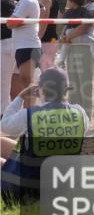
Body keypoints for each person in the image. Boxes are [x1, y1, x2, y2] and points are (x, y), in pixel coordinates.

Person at [0, 68, 88, 204]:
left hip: (30, 188)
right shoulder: (80, 113)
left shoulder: (31, 115)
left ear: (40, 89)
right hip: (65, 185)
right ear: (66, 90)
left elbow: (4, 125)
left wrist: (21, 96)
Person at [56, 0, 94, 117]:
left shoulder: (85, 12)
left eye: (68, 0)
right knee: (73, 81)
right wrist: (63, 38)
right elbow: (65, 26)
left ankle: (87, 114)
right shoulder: (69, 13)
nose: (66, 2)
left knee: (85, 81)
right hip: (71, 48)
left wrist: (68, 37)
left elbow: (84, 27)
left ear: (72, 1)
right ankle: (76, 112)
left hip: (83, 47)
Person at [10, 0, 41, 107]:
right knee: (25, 83)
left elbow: (11, 23)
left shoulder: (28, 1)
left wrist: (13, 23)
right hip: (23, 45)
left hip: (28, 46)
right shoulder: (23, 0)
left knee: (28, 83)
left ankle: (30, 116)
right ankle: (28, 116)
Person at [32, 0, 59, 71]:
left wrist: (37, 38)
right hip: (52, 38)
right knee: (48, 69)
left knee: (45, 72)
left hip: (45, 40)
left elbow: (43, 21)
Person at [1, 0, 14, 106]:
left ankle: (3, 114)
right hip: (9, 43)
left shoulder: (4, 1)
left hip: (6, 43)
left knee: (4, 84)